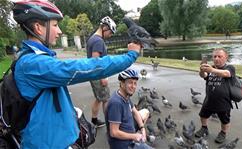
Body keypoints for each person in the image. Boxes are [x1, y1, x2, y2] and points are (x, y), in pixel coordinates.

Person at [11, 0, 141, 148]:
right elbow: (85, 66)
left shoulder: (36, 58)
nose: (59, 31)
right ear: (38, 28)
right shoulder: (32, 64)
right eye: (55, 25)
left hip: (55, 140)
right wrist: (130, 56)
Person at [195, 48, 235, 144]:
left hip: (224, 102)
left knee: (224, 119)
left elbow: (226, 74)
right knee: (203, 115)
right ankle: (204, 128)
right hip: (209, 99)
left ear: (226, 57)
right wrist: (201, 70)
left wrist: (212, 69)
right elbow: (203, 76)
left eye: (219, 56)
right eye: (214, 56)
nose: (216, 58)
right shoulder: (210, 67)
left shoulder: (230, 68)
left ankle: (223, 133)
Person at [105, 69, 150, 149]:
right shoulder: (116, 103)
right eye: (130, 82)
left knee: (145, 112)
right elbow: (114, 132)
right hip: (124, 144)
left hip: (129, 130)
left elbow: (135, 112)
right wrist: (134, 136)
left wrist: (142, 128)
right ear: (122, 83)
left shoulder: (125, 95)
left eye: (135, 83)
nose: (133, 86)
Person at [86, 16, 116, 128]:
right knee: (105, 99)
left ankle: (94, 120)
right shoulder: (98, 41)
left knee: (99, 98)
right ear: (104, 28)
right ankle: (110, 124)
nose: (110, 35)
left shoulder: (92, 38)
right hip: (98, 76)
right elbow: (96, 62)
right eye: (110, 32)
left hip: (93, 75)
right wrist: (103, 77)